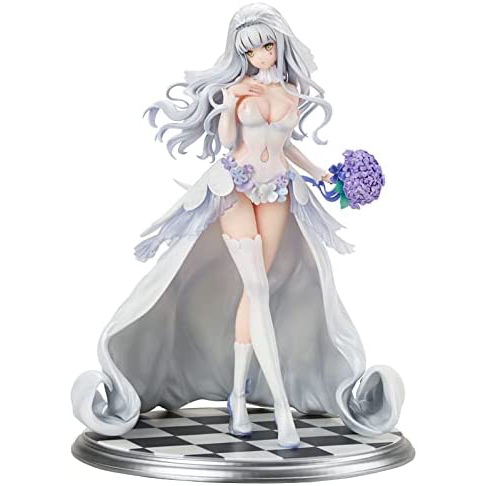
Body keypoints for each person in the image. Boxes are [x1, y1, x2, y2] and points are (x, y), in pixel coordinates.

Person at [71, 2, 405, 449]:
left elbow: (286, 146)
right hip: (235, 187)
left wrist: (323, 174)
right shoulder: (239, 88)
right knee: (258, 288)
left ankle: (238, 395)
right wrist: (229, 106)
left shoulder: (291, 93)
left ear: (279, 44)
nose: (260, 56)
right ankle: (281, 408)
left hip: (278, 189)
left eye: (266, 46)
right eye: (250, 50)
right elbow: (228, 141)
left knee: (256, 289)